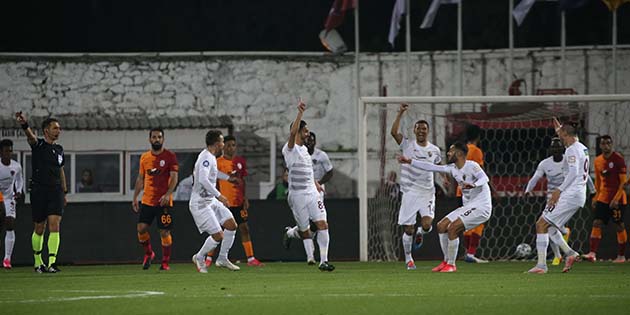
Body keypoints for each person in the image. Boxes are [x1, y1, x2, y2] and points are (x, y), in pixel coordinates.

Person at [398, 142, 492, 273]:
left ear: (459, 153)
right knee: (441, 226)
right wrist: (410, 161)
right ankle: (446, 261)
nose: (448, 153)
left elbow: (484, 178)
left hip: (482, 207)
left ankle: (452, 265)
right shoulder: (452, 168)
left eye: (451, 151)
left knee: (453, 228)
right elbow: (430, 166)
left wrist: (474, 185)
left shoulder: (472, 166)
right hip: (469, 206)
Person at [527, 119, 587, 274]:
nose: (559, 139)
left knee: (541, 224)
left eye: (561, 136)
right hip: (578, 194)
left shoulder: (572, 150)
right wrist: (560, 128)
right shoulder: (582, 147)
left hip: (570, 194)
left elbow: (573, 172)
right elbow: (567, 133)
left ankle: (541, 266)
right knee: (550, 226)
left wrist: (559, 190)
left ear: (566, 134)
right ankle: (570, 253)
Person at [281, 100, 334, 271]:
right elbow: (292, 133)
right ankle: (291, 233)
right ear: (298, 132)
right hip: (297, 196)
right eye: (305, 131)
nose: (308, 134)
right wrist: (300, 113)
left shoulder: (304, 150)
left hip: (312, 193)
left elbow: (308, 171)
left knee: (322, 225)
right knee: (305, 232)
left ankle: (323, 261)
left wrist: (315, 183)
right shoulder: (290, 149)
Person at [390, 103, 442, 270]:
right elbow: (393, 133)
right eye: (418, 129)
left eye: (424, 129)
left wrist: (443, 178)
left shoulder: (434, 150)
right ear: (414, 130)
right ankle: (408, 259)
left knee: (427, 225)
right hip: (410, 192)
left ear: (428, 131)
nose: (421, 131)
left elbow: (439, 166)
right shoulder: (407, 145)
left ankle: (421, 232)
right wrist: (400, 113)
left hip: (427, 192)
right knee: (408, 229)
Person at [15, 112, 66, 273]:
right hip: (39, 190)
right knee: (39, 227)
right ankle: (38, 262)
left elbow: (61, 169)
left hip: (55, 190)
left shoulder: (59, 149)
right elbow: (30, 137)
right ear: (46, 131)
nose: (58, 131)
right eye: (55, 128)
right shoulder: (39, 145)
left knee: (55, 224)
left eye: (59, 128)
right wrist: (25, 125)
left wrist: (64, 191)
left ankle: (52, 262)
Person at [205, 135, 263, 267]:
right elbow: (213, 182)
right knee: (217, 231)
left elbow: (243, 181)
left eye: (233, 145)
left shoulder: (240, 161)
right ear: (223, 146)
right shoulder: (217, 162)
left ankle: (250, 259)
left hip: (238, 202)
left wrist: (245, 197)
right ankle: (208, 258)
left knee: (244, 228)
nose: (231, 148)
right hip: (223, 203)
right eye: (228, 145)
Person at [190, 130, 240, 272]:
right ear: (217, 143)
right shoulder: (206, 157)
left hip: (210, 201)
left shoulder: (210, 157)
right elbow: (204, 180)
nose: (223, 145)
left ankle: (222, 258)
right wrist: (220, 196)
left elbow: (214, 173)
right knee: (218, 236)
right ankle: (199, 257)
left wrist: (228, 178)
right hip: (200, 204)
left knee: (231, 225)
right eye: (222, 142)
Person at [132, 128, 179, 271]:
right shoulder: (145, 158)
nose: (156, 139)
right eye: (154, 137)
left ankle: (165, 262)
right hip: (147, 200)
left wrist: (167, 194)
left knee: (164, 232)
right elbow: (141, 178)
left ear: (163, 139)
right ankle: (149, 253)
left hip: (164, 202)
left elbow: (174, 178)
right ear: (150, 139)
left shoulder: (170, 156)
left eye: (159, 137)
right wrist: (135, 197)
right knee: (141, 229)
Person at [524, 138, 574, 266]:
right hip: (551, 199)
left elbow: (578, 174)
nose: (556, 150)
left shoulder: (569, 161)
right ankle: (561, 253)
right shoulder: (545, 164)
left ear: (562, 148)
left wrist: (592, 190)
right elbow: (535, 178)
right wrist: (527, 190)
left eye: (558, 147)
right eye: (553, 147)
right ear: (550, 149)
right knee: (548, 227)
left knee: (546, 225)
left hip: (565, 197)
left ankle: (565, 253)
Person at [582, 135, 628, 263]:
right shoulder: (597, 161)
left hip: (618, 198)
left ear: (611, 144)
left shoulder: (618, 159)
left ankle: (621, 256)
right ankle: (592, 253)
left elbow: (623, 182)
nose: (606, 146)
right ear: (600, 145)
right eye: (603, 143)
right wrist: (595, 196)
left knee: (619, 226)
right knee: (597, 223)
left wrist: (616, 199)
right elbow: (597, 181)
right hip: (603, 197)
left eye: (608, 143)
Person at [460, 124, 489, 264]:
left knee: (465, 222)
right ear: (478, 136)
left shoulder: (462, 150)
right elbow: (481, 173)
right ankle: (471, 253)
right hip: (475, 191)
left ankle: (467, 253)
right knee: (479, 222)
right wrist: (493, 191)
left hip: (461, 191)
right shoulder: (476, 151)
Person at [0, 139, 24, 269]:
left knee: (10, 223)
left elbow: (19, 180)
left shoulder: (16, 166)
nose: (8, 154)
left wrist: (19, 191)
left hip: (9, 198)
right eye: (5, 151)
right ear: (0, 153)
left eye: (10, 151)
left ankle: (7, 259)